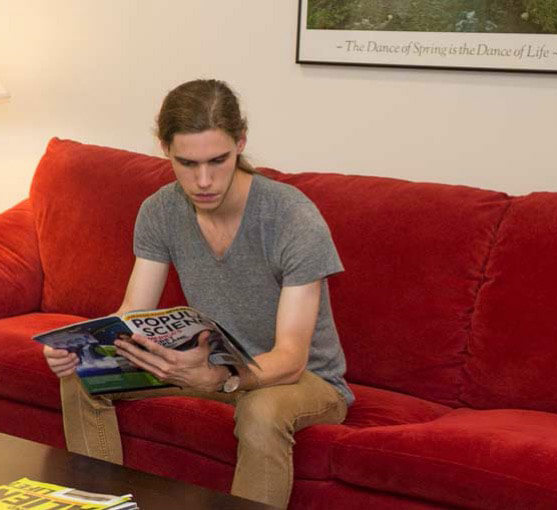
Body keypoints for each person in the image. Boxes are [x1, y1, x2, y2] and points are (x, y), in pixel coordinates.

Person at [41, 79, 354, 508]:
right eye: (187, 163)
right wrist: (80, 348)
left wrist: (223, 378)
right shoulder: (160, 210)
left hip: (303, 379)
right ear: (164, 148)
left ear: (241, 143)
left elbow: (291, 357)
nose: (203, 180)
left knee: (261, 410)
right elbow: (133, 312)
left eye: (218, 161)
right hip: (210, 365)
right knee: (84, 375)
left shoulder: (292, 217)